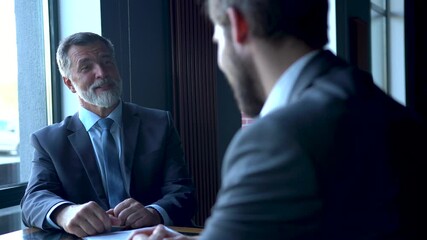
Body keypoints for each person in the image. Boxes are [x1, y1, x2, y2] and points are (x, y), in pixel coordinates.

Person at [129, 0, 427, 239]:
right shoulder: (373, 103)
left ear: (238, 25)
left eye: (217, 39)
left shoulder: (279, 139)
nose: (220, 58)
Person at [20, 32, 196, 238]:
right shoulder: (49, 141)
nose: (102, 73)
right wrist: (64, 212)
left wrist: (154, 212)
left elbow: (183, 193)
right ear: (69, 83)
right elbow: (33, 200)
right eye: (86, 67)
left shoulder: (158, 124)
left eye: (107, 61)